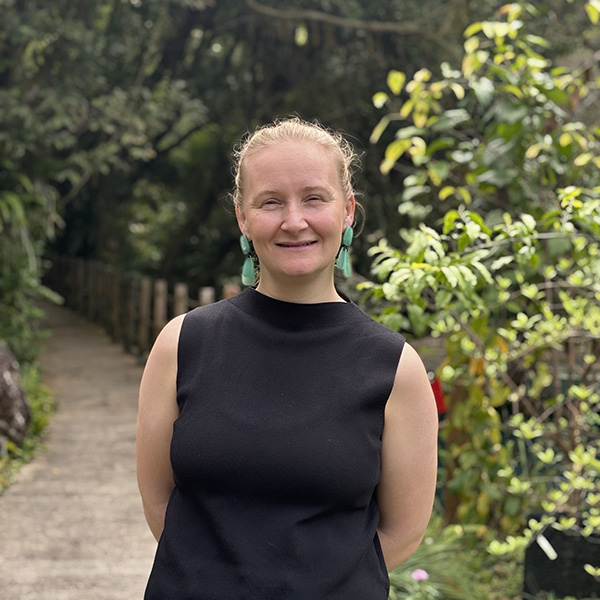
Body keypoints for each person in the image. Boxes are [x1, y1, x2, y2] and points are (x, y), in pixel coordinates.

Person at [136, 117, 438, 600]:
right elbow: (158, 501)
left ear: (347, 211)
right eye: (271, 202)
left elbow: (402, 532)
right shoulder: (182, 344)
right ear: (242, 217)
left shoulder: (394, 367)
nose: (294, 221)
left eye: (314, 198)